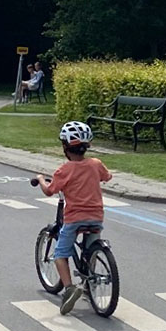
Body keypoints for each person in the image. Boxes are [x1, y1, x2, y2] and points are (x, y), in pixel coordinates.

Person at [35, 121, 112, 315]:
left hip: (74, 218)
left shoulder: (64, 170)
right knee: (91, 247)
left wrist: (41, 179)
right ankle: (90, 282)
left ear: (65, 147)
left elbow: (50, 191)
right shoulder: (95, 164)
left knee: (61, 254)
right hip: (96, 217)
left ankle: (70, 288)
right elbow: (107, 176)